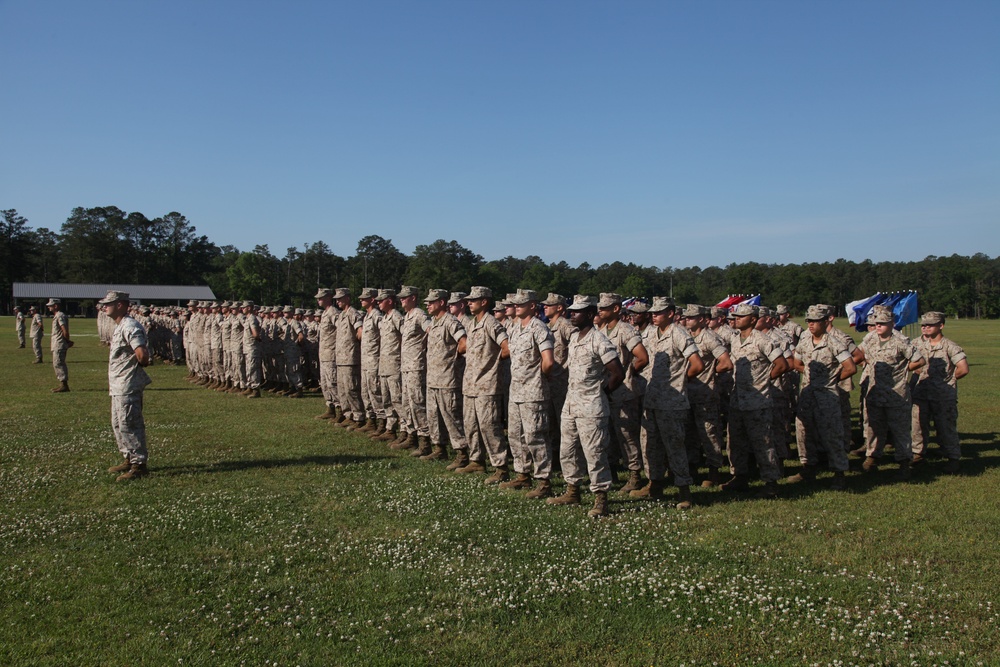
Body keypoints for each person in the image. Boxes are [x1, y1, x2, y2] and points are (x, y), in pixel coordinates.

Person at [547, 295, 624, 518]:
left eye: (577, 311)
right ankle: (573, 490)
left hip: (591, 407)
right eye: (571, 310)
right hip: (571, 404)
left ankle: (601, 498)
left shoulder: (599, 340)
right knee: (568, 450)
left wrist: (603, 392)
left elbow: (617, 372)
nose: (572, 314)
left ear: (590, 315)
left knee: (595, 453)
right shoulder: (574, 338)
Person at [631, 297, 702, 509]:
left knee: (675, 447)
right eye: (652, 312)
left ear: (670, 313)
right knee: (650, 446)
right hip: (652, 399)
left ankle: (684, 491)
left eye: (659, 312)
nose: (654, 315)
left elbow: (697, 364)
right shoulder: (651, 333)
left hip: (672, 403)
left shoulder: (678, 334)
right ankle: (654, 484)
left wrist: (681, 380)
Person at [722, 303, 788, 497]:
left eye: (741, 317)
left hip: (757, 402)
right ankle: (740, 477)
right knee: (736, 443)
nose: (736, 319)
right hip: (737, 400)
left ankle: (770, 482)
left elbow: (782, 364)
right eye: (735, 316)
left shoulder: (762, 340)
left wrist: (763, 381)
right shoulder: (735, 340)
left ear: (752, 319)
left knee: (763, 443)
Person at [787, 305, 856, 490]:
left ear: (826, 322)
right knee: (804, 433)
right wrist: (809, 374)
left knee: (832, 434)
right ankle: (808, 467)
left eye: (815, 321)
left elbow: (850, 367)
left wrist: (830, 380)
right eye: (808, 320)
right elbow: (796, 362)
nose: (810, 324)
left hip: (827, 395)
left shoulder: (834, 343)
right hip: (808, 394)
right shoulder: (804, 341)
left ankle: (839, 472)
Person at [499, 289, 557, 499]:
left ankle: (543, 481)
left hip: (534, 392)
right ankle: (522, 474)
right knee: (515, 435)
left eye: (521, 304)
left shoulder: (539, 328)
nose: (516, 307)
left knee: (536, 437)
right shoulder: (515, 329)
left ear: (533, 306)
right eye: (515, 304)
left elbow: (548, 361)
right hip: (516, 392)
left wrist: (539, 379)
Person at [857, 306, 924, 480]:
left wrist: (903, 370)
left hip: (896, 393)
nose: (878, 326)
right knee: (874, 427)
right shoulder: (870, 338)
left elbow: (920, 360)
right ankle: (872, 457)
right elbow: (859, 353)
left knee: (900, 430)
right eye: (876, 323)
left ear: (892, 323)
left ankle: (904, 463)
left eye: (882, 324)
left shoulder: (900, 341)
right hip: (875, 391)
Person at [596, 293, 649, 492]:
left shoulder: (624, 330)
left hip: (623, 391)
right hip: (606, 389)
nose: (600, 311)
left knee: (627, 434)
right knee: (607, 433)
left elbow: (642, 357)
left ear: (616, 309)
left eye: (605, 308)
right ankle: (613, 470)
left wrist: (630, 372)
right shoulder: (601, 329)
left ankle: (635, 474)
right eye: (599, 308)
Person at [98, 291, 153, 481]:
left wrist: (137, 367)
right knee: (118, 423)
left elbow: (142, 354)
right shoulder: (120, 326)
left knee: (130, 423)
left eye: (108, 303)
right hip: (118, 385)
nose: (104, 306)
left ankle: (139, 465)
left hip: (127, 384)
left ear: (120, 305)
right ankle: (129, 458)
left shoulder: (130, 326)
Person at [458, 286, 511, 480]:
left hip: (487, 386)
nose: (469, 302)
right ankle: (476, 461)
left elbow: (507, 348)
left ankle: (501, 467)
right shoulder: (472, 324)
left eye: (474, 299)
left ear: (484, 302)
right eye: (469, 300)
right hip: (471, 385)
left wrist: (493, 363)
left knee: (489, 427)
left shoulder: (491, 323)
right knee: (470, 425)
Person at [911, 311, 969, 473]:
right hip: (921, 394)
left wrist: (947, 381)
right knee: (918, 426)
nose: (925, 328)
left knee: (945, 427)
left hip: (943, 397)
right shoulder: (915, 344)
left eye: (929, 325)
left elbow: (963, 369)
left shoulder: (950, 346)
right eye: (923, 325)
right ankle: (918, 454)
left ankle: (953, 457)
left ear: (941, 326)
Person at [422, 288, 469, 463]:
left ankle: (462, 453)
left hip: (447, 379)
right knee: (433, 417)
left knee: (452, 418)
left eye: (431, 302)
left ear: (442, 302)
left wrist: (452, 360)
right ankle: (439, 448)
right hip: (433, 379)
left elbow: (464, 343)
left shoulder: (450, 322)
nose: (427, 305)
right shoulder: (434, 322)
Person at [46, 298, 73, 392]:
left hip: (59, 343)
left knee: (58, 363)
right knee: (57, 363)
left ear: (56, 306)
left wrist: (67, 341)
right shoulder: (57, 315)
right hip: (57, 343)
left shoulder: (60, 315)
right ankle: (62, 384)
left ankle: (64, 385)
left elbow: (64, 330)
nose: (49, 307)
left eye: (51, 305)